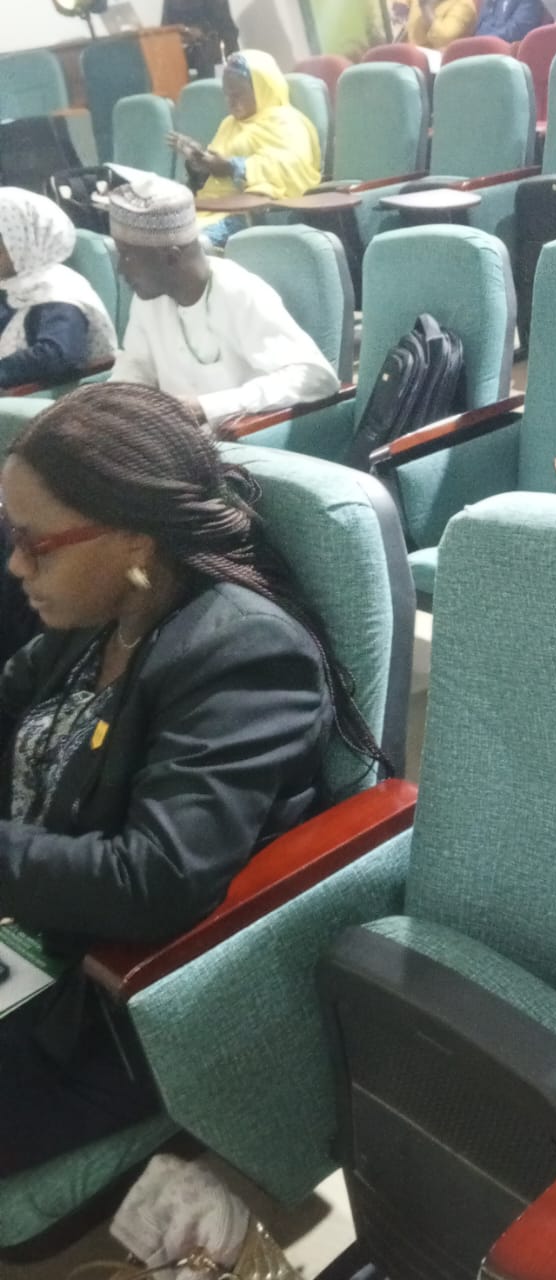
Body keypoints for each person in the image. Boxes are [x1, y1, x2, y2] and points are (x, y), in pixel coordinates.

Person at [0, 383, 388, 1177]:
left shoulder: (242, 652)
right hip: (41, 934)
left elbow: (156, 880)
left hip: (120, 996)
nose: (15, 563)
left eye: (38, 542)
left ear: (135, 539)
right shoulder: (98, 619)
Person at [106, 174, 340, 429]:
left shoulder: (239, 291)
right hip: (175, 442)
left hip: (242, 442)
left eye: (127, 256)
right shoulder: (148, 298)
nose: (121, 269)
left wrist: (209, 407)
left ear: (171, 257)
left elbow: (316, 377)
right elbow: (135, 371)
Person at [166, 50, 322, 249]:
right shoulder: (228, 125)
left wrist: (232, 167)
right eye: (226, 95)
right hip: (210, 210)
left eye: (237, 94)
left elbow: (290, 168)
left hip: (247, 214)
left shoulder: (286, 121)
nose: (231, 102)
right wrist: (199, 164)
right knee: (157, 241)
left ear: (261, 88)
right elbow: (214, 180)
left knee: (183, 247)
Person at [0, 187, 116, 391]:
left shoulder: (59, 294)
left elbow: (59, 356)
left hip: (43, 401)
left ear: (27, 242)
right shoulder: (14, 286)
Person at [162, 0, 240, 79]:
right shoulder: (171, 2)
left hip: (213, 50)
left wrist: (201, 33)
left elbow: (228, 31)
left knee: (204, 51)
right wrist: (179, 34)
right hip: (182, 51)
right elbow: (163, 31)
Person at [407, 0, 479, 50]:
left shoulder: (463, 5)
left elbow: (443, 39)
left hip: (440, 63)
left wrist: (426, 9)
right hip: (408, 57)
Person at [474, 0, 547, 43]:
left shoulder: (531, 2)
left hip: (507, 54)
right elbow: (482, 26)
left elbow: (517, 30)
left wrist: (483, 41)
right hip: (481, 48)